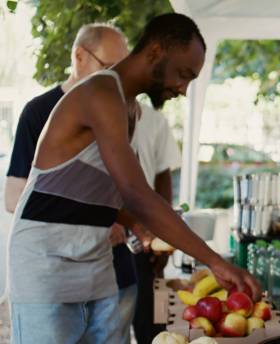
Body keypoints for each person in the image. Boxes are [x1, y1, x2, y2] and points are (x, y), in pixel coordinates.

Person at [7, 13, 259, 343]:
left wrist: (136, 224)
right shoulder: (99, 92)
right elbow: (138, 192)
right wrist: (215, 262)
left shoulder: (130, 108)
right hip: (45, 270)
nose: (183, 89)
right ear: (154, 52)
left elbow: (106, 194)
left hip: (94, 266)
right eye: (183, 75)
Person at [5, 23, 140, 344]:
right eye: (109, 68)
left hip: (113, 270)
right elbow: (13, 196)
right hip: (54, 278)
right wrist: (92, 220)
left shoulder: (126, 111)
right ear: (79, 57)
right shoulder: (38, 112)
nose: (116, 81)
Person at [129, 102, 182, 343]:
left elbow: (163, 180)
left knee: (149, 325)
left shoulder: (154, 120)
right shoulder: (82, 111)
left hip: (143, 243)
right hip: (100, 240)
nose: (181, 90)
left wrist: (163, 238)